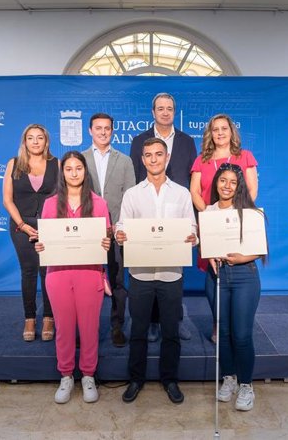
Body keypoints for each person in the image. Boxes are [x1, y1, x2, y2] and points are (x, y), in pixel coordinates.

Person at [116, 137, 198, 405]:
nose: (153, 159)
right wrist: (120, 234)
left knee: (171, 332)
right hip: (140, 274)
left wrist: (192, 237)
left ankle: (170, 379)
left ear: (167, 158)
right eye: (148, 155)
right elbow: (121, 226)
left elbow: (192, 228)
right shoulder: (132, 194)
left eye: (158, 154)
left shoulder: (182, 193)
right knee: (138, 330)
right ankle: (135, 379)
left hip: (171, 274)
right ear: (142, 159)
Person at [34, 151, 112, 404]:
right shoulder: (50, 204)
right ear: (63, 173)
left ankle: (88, 375)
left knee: (90, 328)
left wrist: (106, 242)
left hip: (89, 273)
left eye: (79, 168)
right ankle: (66, 375)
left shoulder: (98, 203)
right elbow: (45, 238)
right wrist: (40, 246)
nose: (74, 173)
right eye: (69, 169)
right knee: (64, 328)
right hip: (58, 274)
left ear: (85, 171)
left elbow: (106, 236)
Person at [129, 92, 197, 341]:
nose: (165, 112)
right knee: (148, 268)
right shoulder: (139, 141)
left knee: (172, 271)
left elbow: (191, 178)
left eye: (170, 108)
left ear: (174, 112)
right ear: (153, 112)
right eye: (160, 108)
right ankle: (153, 323)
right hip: (147, 212)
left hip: (176, 213)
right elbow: (136, 176)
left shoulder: (188, 141)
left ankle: (174, 320)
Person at [189, 113, 258, 342]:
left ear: (231, 132)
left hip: (238, 221)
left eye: (224, 129)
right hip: (210, 221)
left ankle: (238, 325)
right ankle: (219, 324)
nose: (220, 133)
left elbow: (251, 191)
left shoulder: (245, 156)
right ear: (210, 133)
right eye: (215, 129)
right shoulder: (202, 160)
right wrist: (211, 214)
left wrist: (233, 212)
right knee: (214, 270)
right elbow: (195, 192)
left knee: (235, 263)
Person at [203, 163, 264, 412]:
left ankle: (246, 385)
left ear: (239, 187)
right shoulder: (208, 211)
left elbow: (260, 250)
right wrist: (208, 255)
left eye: (232, 182)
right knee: (224, 333)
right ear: (216, 182)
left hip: (244, 276)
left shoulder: (250, 213)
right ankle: (229, 378)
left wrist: (241, 258)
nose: (226, 186)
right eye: (222, 180)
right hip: (217, 276)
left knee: (241, 334)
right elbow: (205, 244)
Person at [82, 113, 135, 348]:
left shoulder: (124, 160)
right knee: (86, 283)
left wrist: (120, 225)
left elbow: (130, 197)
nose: (103, 132)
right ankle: (86, 329)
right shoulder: (78, 160)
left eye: (107, 128)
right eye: (98, 128)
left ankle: (116, 326)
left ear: (112, 131)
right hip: (86, 232)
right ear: (90, 131)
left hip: (116, 231)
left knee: (117, 283)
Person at [3, 124, 58, 342]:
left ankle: (48, 318)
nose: (35, 142)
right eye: (30, 138)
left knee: (48, 272)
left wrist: (50, 226)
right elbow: (7, 199)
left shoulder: (57, 164)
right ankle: (29, 319)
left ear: (46, 141)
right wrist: (23, 225)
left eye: (40, 138)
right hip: (21, 225)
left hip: (50, 226)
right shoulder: (14, 164)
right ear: (24, 141)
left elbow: (61, 197)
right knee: (28, 272)